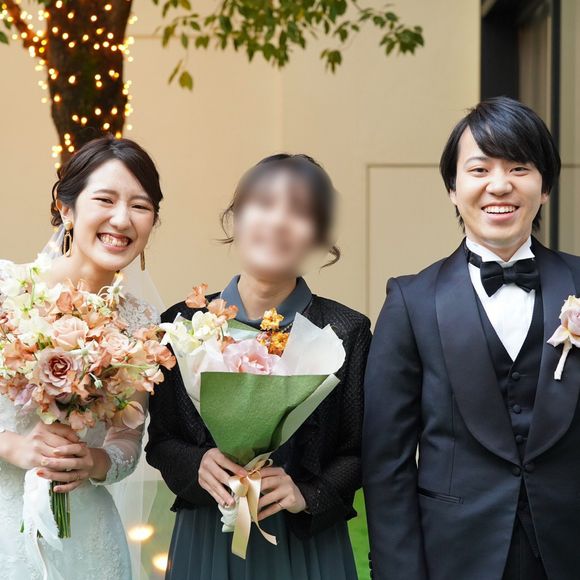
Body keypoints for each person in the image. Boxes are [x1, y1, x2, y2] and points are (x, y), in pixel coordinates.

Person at [363, 96, 578, 580]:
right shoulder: (411, 301)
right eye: (479, 169)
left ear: (545, 187)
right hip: (453, 556)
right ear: (452, 188)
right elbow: (387, 461)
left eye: (519, 168)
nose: (499, 185)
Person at [146, 153, 372, 579]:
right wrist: (197, 463)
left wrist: (308, 494)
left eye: (300, 211)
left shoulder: (345, 330)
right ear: (236, 217)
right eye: (264, 203)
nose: (279, 221)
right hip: (207, 537)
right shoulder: (182, 324)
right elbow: (160, 441)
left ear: (318, 236)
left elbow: (358, 450)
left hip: (305, 546)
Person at [0, 136, 165, 579]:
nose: (121, 219)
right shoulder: (7, 290)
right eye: (105, 200)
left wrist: (95, 461)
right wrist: (13, 446)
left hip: (87, 537)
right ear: (66, 207)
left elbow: (127, 439)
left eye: (140, 206)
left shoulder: (141, 323)